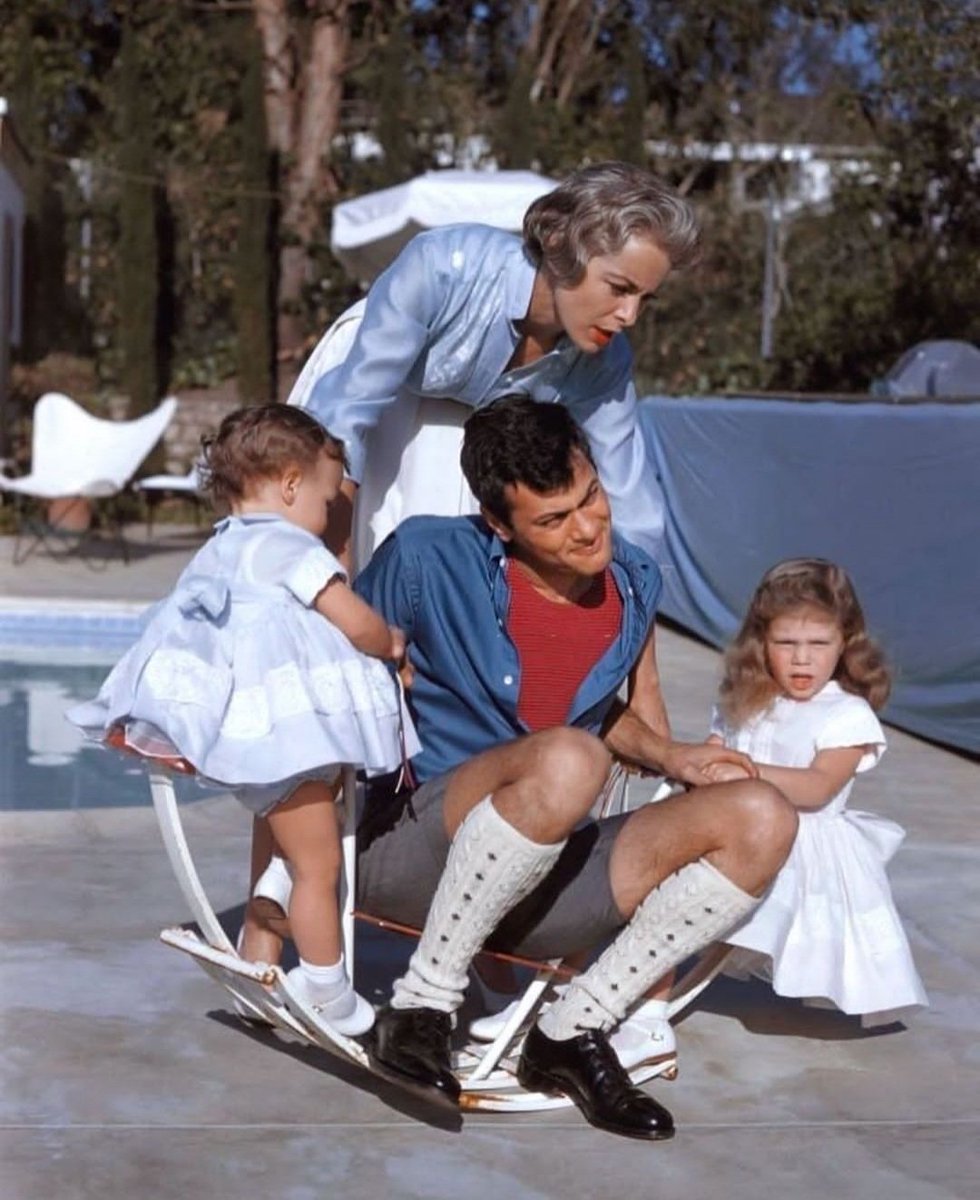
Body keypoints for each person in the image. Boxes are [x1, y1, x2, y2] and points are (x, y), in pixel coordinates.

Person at [349, 395, 799, 1140]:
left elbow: (598, 714)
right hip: (413, 850)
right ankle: (423, 1004)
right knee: (570, 756)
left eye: (589, 497)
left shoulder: (633, 581)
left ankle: (570, 1030)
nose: (588, 529)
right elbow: (325, 669)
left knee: (763, 814)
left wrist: (672, 755)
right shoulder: (428, 555)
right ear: (500, 525)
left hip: (542, 867)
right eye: (553, 521)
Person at [68, 404, 418, 1040]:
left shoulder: (218, 549)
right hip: (293, 739)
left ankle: (259, 949)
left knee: (291, 833)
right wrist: (387, 640)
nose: (328, 514)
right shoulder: (291, 548)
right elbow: (353, 618)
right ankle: (326, 982)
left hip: (254, 744)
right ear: (289, 485)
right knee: (321, 867)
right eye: (324, 498)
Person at [289, 161, 701, 568]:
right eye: (619, 288)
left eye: (644, 299)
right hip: (369, 403)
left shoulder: (606, 357)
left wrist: (637, 598)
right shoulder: (440, 266)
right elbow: (345, 418)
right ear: (560, 244)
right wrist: (333, 571)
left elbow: (629, 494)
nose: (630, 315)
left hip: (472, 445)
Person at [703, 558, 928, 1023]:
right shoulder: (747, 701)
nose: (802, 658)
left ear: (845, 644)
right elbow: (711, 752)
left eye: (818, 643)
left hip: (800, 844)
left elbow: (817, 787)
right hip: (731, 829)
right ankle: (656, 991)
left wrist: (742, 770)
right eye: (785, 643)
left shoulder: (845, 715)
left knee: (801, 941)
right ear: (760, 644)